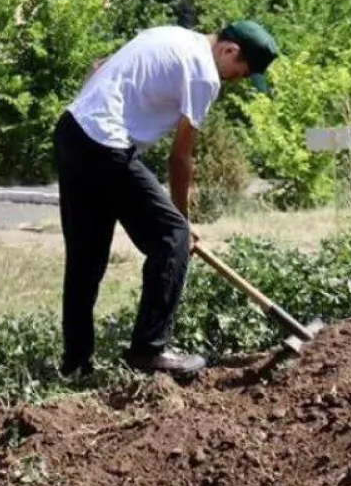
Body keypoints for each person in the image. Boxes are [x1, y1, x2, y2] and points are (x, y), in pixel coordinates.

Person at [54, 21, 280, 379]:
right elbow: (180, 158)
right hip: (106, 143)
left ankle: (75, 365)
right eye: (240, 74)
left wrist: (95, 116)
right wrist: (184, 223)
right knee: (172, 237)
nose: (234, 83)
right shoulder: (205, 75)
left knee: (86, 258)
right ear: (229, 51)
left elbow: (99, 66)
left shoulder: (171, 34)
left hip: (72, 130)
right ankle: (149, 349)